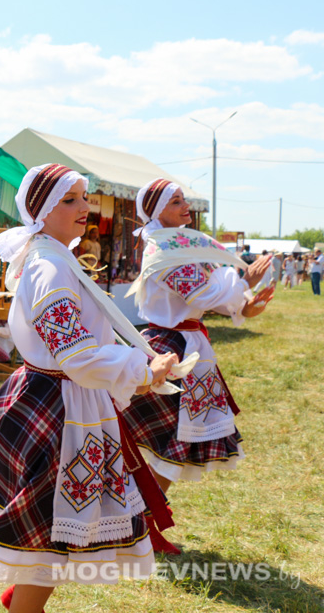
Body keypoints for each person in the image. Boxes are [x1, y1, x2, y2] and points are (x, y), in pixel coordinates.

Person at [0, 164, 179, 613]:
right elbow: (75, 355)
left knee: (54, 530)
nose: (85, 207)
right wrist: (143, 370)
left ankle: (23, 600)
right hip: (60, 409)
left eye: (85, 197)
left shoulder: (56, 257)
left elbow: (81, 348)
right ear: (42, 211)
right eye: (70, 200)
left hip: (66, 400)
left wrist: (139, 368)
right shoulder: (49, 266)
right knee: (50, 534)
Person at [122, 179, 274, 496]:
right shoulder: (162, 250)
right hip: (169, 349)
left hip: (186, 347)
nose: (185, 205)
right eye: (176, 201)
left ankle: (147, 511)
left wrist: (244, 305)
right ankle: (142, 511)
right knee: (168, 440)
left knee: (175, 442)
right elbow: (202, 293)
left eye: (183, 199)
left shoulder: (180, 245)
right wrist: (243, 283)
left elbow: (211, 291)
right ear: (156, 211)